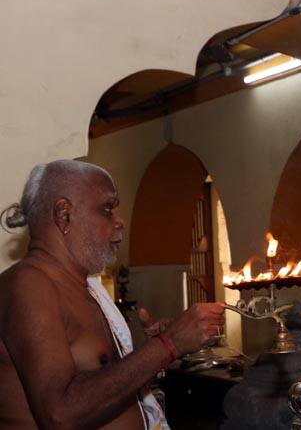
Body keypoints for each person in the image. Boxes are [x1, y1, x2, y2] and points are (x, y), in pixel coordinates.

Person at [0, 160, 225, 429]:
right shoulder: (30, 284)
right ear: (64, 215)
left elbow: (98, 380)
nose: (120, 222)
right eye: (107, 209)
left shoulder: (83, 287)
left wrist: (154, 349)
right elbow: (60, 412)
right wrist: (169, 344)